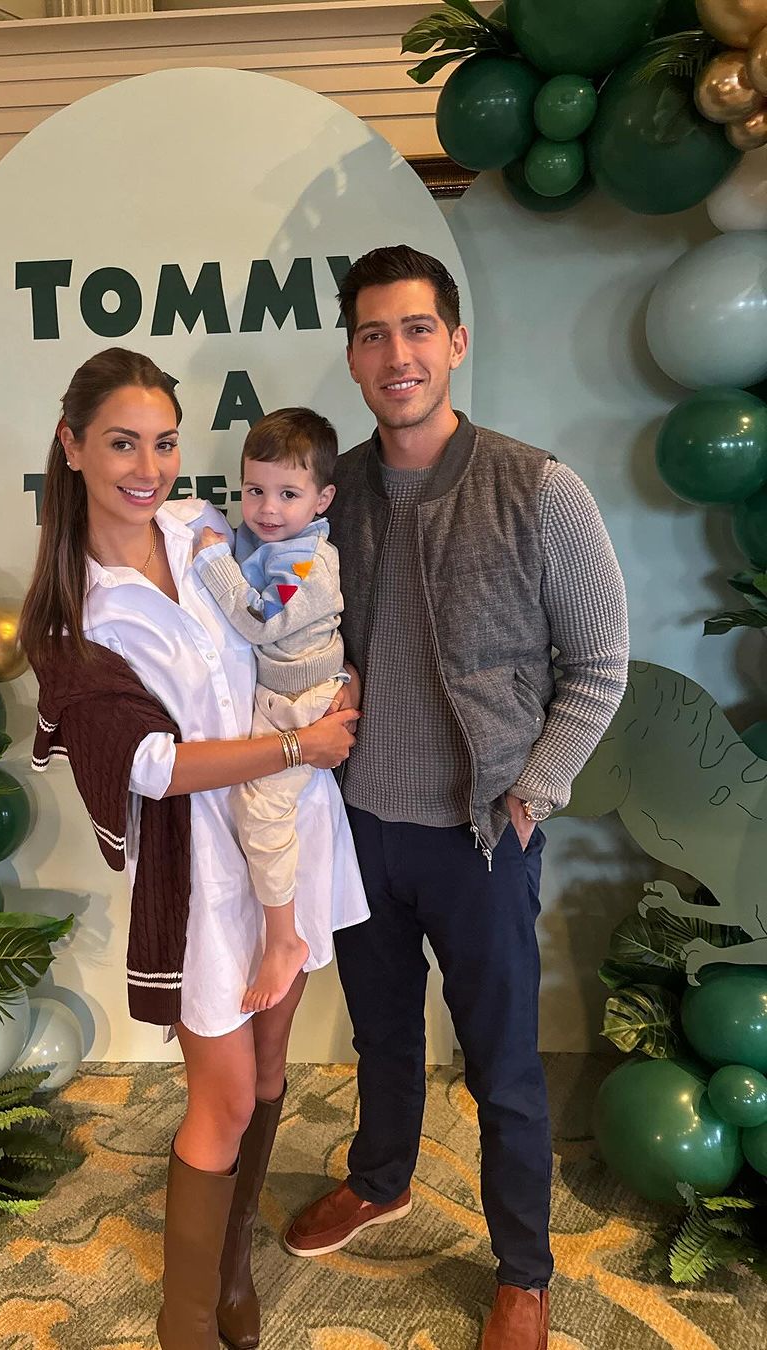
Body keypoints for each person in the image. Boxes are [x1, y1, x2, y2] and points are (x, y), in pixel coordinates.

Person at [283, 246, 630, 1350]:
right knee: (381, 1033)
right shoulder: (329, 497)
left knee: (503, 1066)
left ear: (457, 341)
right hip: (361, 828)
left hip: (482, 836)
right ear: (352, 356)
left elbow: (600, 667)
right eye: (374, 334)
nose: (398, 354)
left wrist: (533, 793)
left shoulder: (538, 487)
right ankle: (381, 1178)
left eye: (418, 328)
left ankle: (524, 1270)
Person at [19, 347, 368, 1350]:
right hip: (201, 867)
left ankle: (230, 1269)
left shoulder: (202, 528)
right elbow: (153, 766)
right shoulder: (72, 615)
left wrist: (332, 687)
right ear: (72, 445)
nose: (149, 467)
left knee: (270, 1066)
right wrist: (299, 743)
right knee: (221, 1095)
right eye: (122, 443)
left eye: (165, 442)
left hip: (291, 831)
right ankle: (187, 1325)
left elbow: (289, 621)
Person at [191, 407, 348, 1014]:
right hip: (280, 696)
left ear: (321, 500)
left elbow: (259, 619)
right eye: (254, 490)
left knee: (259, 812)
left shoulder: (306, 563)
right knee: (241, 805)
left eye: (288, 494)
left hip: (303, 703)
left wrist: (213, 562)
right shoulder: (269, 541)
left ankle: (285, 940)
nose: (267, 509)